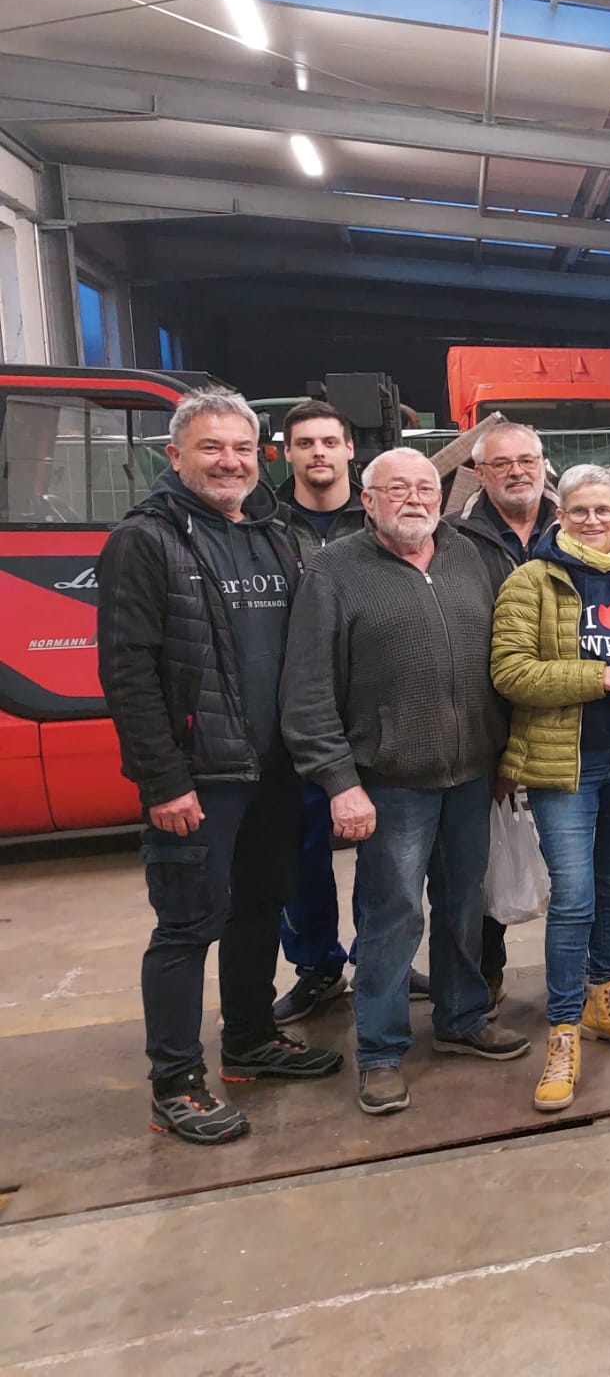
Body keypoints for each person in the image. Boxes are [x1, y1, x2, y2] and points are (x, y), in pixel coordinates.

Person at [98, 388, 342, 1145]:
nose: (230, 461)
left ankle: (249, 1040)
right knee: (185, 926)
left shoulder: (276, 533)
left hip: (274, 767)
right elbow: (127, 671)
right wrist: (162, 781)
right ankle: (175, 1083)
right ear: (176, 456)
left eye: (241, 448)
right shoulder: (145, 540)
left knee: (260, 905)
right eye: (211, 448)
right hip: (200, 774)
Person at [283, 447, 530, 1117]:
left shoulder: (465, 555)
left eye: (425, 487)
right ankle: (381, 1049)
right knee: (392, 916)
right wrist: (340, 781)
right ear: (368, 500)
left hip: (472, 775)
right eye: (397, 488)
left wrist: (504, 754)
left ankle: (461, 1017)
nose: (414, 499)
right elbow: (306, 692)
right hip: (389, 782)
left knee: (463, 906)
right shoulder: (334, 571)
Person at [492, 464, 610, 1112]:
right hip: (563, 764)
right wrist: (598, 677)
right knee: (573, 897)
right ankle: (564, 1028)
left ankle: (604, 996)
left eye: (604, 510)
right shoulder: (531, 581)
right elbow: (511, 672)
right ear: (561, 516)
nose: (593, 521)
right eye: (580, 511)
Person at [450, 420, 557, 1008]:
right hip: (486, 721)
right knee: (478, 867)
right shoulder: (454, 538)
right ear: (480, 473)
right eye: (501, 463)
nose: (517, 472)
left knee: (574, 864)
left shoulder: (572, 526)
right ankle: (480, 982)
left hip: (566, 719)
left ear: (543, 464)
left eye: (527, 460)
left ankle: (582, 980)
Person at [271, 399, 371, 1025]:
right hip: (292, 714)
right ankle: (318, 967)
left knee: (382, 849)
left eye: (329, 442)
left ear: (349, 449)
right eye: (305, 443)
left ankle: (378, 958)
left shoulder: (380, 514)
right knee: (300, 852)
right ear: (286, 453)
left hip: (369, 709)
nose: (318, 454)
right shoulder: (266, 523)